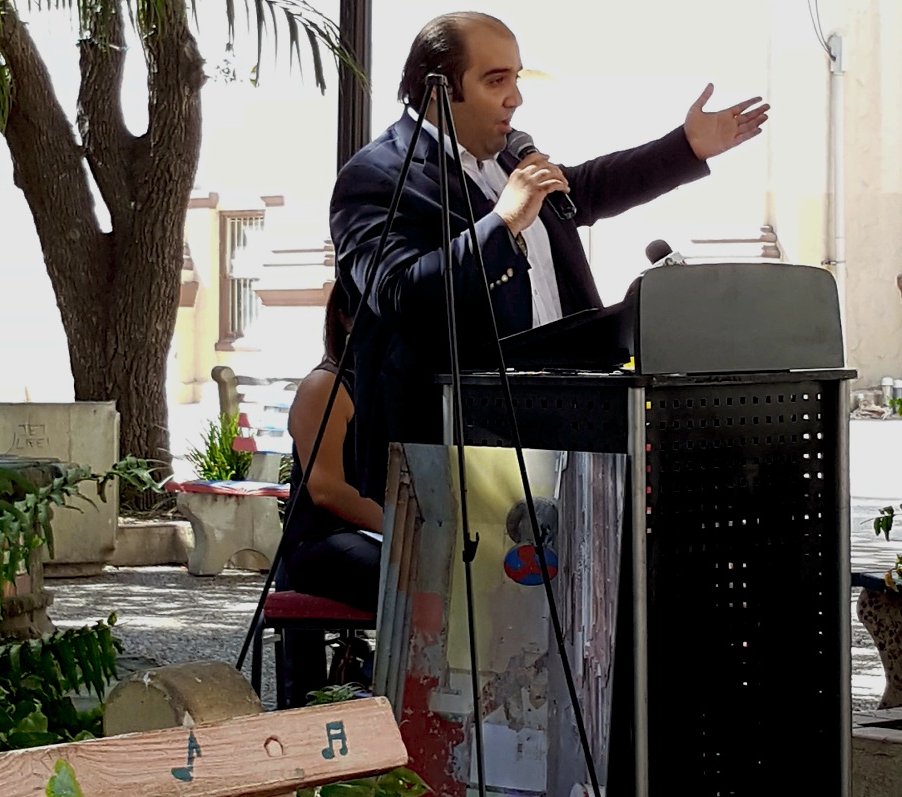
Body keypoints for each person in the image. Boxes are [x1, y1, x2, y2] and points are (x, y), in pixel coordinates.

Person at [329, 11, 770, 505]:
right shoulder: (377, 176)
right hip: (449, 452)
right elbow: (399, 294)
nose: (515, 98)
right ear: (439, 90)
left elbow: (589, 188)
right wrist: (502, 224)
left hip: (565, 430)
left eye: (516, 78)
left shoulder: (506, 164)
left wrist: (686, 148)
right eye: (496, 80)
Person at [276, 280, 383, 706]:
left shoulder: (384, 387)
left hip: (368, 534)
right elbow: (326, 489)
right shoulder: (325, 387)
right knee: (403, 579)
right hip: (319, 540)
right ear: (345, 318)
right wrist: (402, 527)